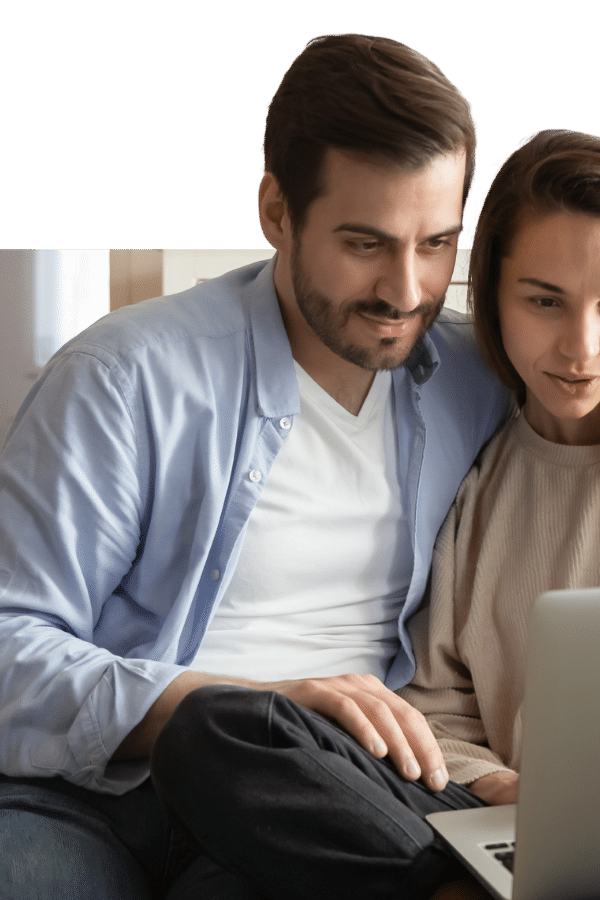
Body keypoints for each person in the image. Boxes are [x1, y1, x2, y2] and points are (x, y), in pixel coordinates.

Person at [150, 129, 600, 900]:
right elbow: (438, 712)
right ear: (493, 298)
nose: (582, 346)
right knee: (216, 730)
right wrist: (501, 788)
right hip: (527, 831)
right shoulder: (476, 477)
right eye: (544, 301)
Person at [0, 33, 510, 898]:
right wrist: (243, 704)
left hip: (319, 802)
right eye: (364, 243)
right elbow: (9, 646)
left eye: (435, 244)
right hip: (91, 795)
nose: (406, 289)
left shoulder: (475, 376)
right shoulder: (128, 377)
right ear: (277, 210)